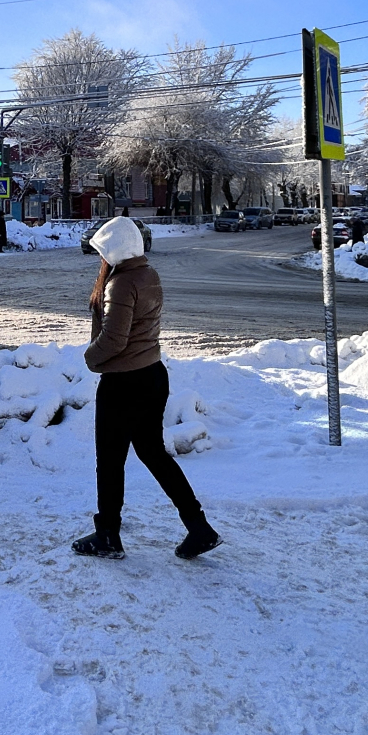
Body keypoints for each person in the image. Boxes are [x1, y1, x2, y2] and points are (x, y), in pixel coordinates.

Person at [71, 216, 220, 561]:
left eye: (103, 250)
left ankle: (108, 535)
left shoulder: (121, 283)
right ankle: (198, 527)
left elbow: (114, 339)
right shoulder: (148, 274)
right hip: (152, 376)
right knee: (154, 454)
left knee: (110, 461)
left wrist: (90, 358)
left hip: (123, 385)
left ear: (114, 250)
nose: (100, 258)